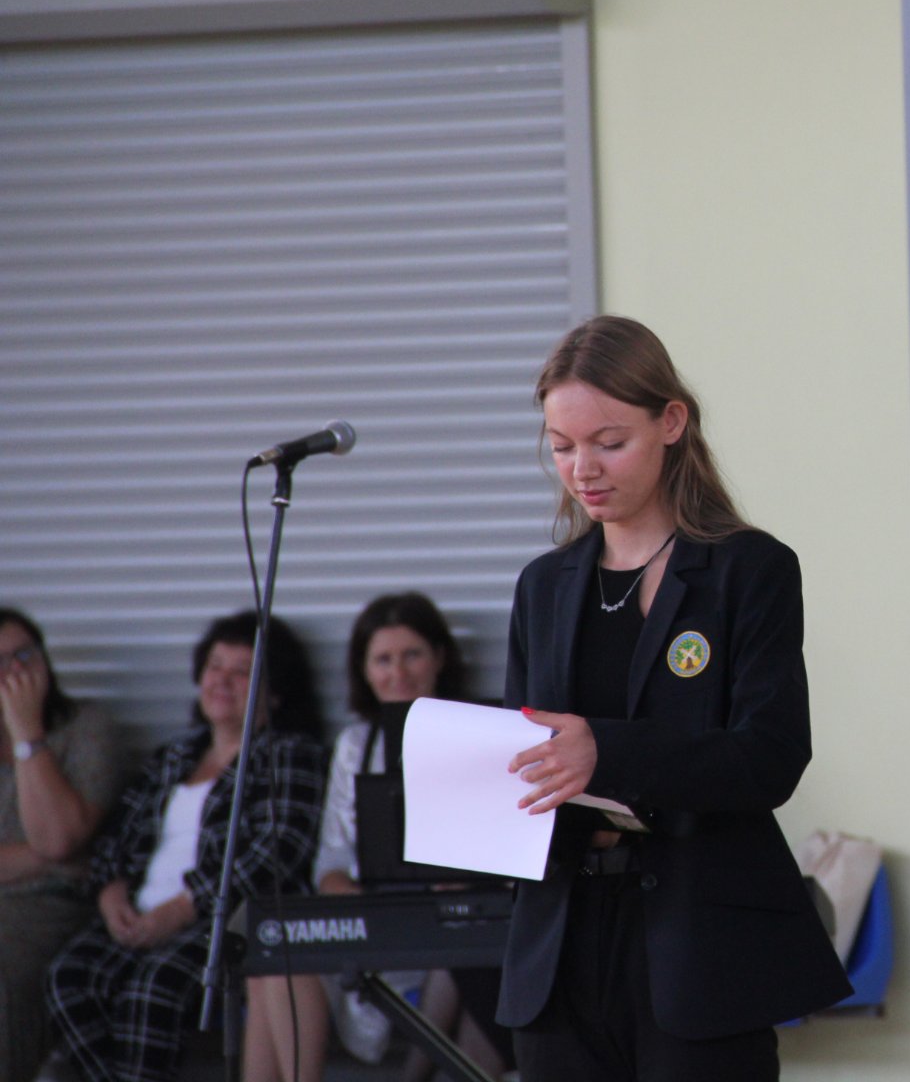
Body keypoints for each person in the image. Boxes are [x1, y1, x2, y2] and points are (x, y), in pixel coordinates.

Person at [496, 315, 850, 1082]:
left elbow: (771, 756)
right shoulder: (544, 586)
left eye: (609, 442)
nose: (583, 469)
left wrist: (607, 753)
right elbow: (524, 754)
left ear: (671, 423)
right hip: (561, 947)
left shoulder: (747, 570)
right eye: (562, 446)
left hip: (700, 948)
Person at [45, 612, 325, 1082]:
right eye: (215, 666)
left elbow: (277, 853)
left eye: (242, 671)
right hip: (136, 914)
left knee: (151, 990)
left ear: (275, 692)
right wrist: (110, 893)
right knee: (68, 980)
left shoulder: (290, 755)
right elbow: (115, 835)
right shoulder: (174, 756)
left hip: (217, 919)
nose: (222, 681)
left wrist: (181, 908)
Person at [244, 592, 507, 1082]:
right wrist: (350, 895)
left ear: (440, 658)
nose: (398, 672)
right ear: (363, 671)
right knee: (273, 963)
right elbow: (331, 861)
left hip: (451, 927)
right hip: (372, 919)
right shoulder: (355, 745)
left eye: (412, 655)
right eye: (383, 659)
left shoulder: (478, 731)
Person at [0, 609, 121, 1082]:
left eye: (24, 655)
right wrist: (51, 861)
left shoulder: (87, 728)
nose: (15, 671)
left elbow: (59, 838)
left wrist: (27, 734)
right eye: (0, 662)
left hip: (53, 908)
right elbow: (57, 855)